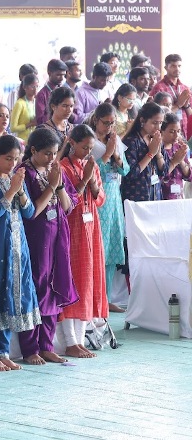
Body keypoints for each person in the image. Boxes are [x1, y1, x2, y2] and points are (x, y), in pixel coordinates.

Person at [16, 128, 78, 365]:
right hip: (36, 238)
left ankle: (47, 345)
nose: (52, 158)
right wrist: (51, 186)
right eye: (47, 153)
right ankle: (30, 347)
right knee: (35, 287)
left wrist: (59, 185)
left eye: (54, 153)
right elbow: (31, 213)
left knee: (54, 286)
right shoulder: (24, 174)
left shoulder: (54, 171)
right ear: (33, 151)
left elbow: (68, 206)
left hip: (57, 237)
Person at [0, 135, 40, 371]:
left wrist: (21, 192)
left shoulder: (16, 179)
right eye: (8, 159)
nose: (12, 164)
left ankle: (4, 350)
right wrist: (10, 192)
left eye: (16, 159)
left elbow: (29, 213)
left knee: (11, 296)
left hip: (18, 246)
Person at [59, 125, 107, 359]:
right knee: (74, 282)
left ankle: (79, 340)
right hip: (73, 228)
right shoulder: (63, 167)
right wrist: (85, 177)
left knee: (88, 282)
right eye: (84, 147)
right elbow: (69, 201)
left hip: (91, 228)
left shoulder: (92, 164)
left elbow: (99, 199)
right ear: (72, 143)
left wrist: (92, 180)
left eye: (91, 148)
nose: (88, 152)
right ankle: (69, 341)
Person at [87, 103, 130, 313]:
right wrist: (107, 154)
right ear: (96, 120)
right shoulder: (91, 143)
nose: (109, 127)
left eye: (113, 123)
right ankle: (95, 299)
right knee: (99, 250)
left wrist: (117, 156)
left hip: (114, 200)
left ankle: (107, 297)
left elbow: (126, 171)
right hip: (98, 202)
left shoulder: (116, 140)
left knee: (113, 250)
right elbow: (92, 175)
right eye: (106, 123)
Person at [121, 102, 165, 202]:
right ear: (142, 120)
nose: (158, 127)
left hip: (155, 194)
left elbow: (164, 171)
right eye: (154, 123)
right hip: (136, 196)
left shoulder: (155, 138)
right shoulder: (131, 141)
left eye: (161, 123)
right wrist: (150, 154)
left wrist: (158, 154)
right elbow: (130, 174)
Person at [150, 54, 191, 138]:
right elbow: (157, 115)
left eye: (179, 66)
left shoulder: (185, 88)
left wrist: (186, 106)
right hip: (167, 135)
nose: (177, 69)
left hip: (185, 133)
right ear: (166, 68)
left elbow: (190, 115)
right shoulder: (159, 88)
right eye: (173, 66)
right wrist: (178, 105)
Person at [159, 113, 190, 200]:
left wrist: (181, 161)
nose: (176, 135)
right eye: (172, 132)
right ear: (161, 131)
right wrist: (174, 161)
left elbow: (189, 176)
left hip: (178, 197)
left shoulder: (179, 148)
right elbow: (160, 177)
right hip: (161, 197)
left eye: (179, 131)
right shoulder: (157, 150)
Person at [40, 87, 76, 157]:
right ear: (53, 106)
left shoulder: (72, 128)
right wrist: (64, 145)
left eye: (71, 106)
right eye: (65, 106)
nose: (69, 110)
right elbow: (45, 161)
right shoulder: (44, 130)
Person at [35, 59, 68, 125]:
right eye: (58, 75)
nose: (62, 78)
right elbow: (40, 120)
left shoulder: (65, 91)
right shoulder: (42, 94)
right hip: (48, 132)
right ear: (49, 73)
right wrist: (58, 113)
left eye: (63, 75)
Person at [10, 74, 38, 141]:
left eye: (37, 86)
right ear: (25, 87)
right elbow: (13, 128)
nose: (35, 89)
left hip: (35, 139)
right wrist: (30, 124)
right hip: (22, 141)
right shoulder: (20, 103)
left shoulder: (37, 102)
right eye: (32, 87)